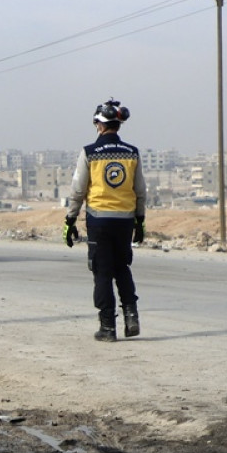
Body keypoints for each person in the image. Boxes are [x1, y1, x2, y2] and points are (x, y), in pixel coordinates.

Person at [64, 98, 148, 342]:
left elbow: (78, 190)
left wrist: (70, 220)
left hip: (99, 220)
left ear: (99, 125)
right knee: (122, 267)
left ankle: (108, 327)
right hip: (125, 220)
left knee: (102, 271)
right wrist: (139, 221)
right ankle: (131, 316)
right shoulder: (132, 153)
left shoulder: (89, 152)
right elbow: (140, 190)